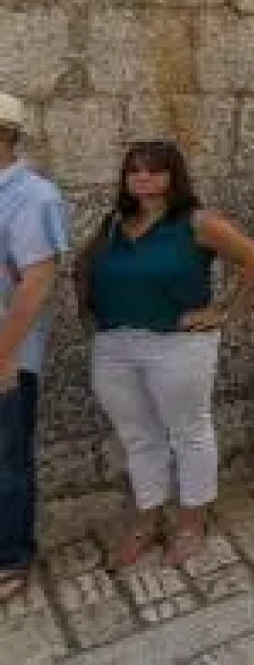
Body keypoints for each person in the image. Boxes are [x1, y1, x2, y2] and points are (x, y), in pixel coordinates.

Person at [81, 141, 254, 569]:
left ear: (173, 176)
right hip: (115, 345)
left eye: (153, 170)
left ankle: (190, 524)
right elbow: (85, 269)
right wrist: (89, 314)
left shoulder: (197, 223)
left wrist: (223, 312)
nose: (142, 178)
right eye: (134, 171)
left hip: (177, 345)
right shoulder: (114, 223)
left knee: (189, 432)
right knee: (138, 436)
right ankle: (147, 521)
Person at [0, 93, 70, 604]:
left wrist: (3, 355)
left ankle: (10, 557)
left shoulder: (34, 196)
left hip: (6, 356)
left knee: (6, 462)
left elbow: (37, 283)